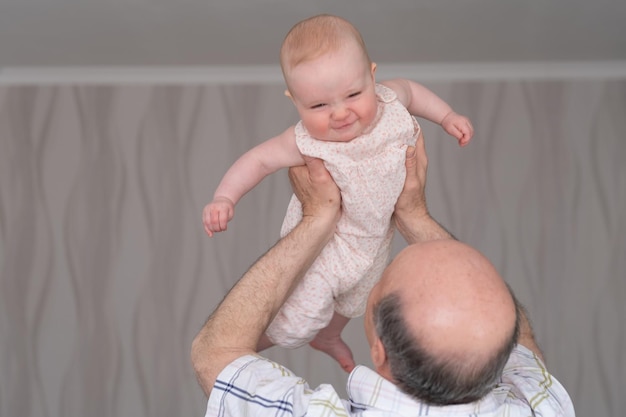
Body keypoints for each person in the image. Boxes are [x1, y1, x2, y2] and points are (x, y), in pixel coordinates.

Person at [191, 131, 575, 416]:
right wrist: (414, 215)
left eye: (383, 276)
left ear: (379, 351)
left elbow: (215, 353)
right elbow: (522, 338)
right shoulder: (538, 406)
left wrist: (315, 218)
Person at [202, 14, 474, 371]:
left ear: (372, 76)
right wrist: (225, 197)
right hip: (327, 246)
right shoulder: (305, 141)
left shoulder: (391, 101)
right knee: (300, 318)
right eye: (318, 105)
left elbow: (415, 91)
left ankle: (329, 337)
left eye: (353, 94)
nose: (340, 112)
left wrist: (447, 116)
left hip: (373, 239)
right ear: (295, 101)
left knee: (357, 300)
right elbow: (258, 161)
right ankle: (243, 346)